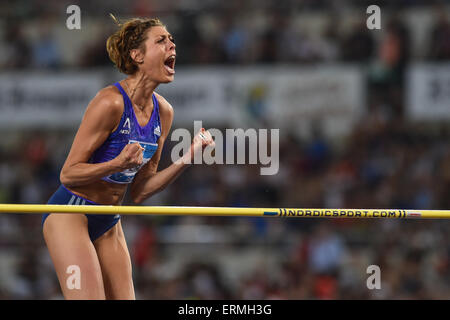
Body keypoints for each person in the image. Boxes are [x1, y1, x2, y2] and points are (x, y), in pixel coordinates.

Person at [42, 16, 214, 300]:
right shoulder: (109, 102)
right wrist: (117, 164)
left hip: (109, 219)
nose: (172, 45)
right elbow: (68, 174)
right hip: (70, 213)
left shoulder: (164, 112)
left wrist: (188, 157)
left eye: (172, 39)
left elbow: (142, 190)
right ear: (137, 55)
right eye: (161, 40)